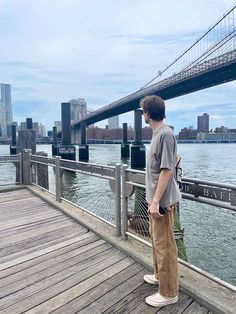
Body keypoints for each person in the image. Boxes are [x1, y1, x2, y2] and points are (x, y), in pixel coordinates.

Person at [140, 95, 181, 307]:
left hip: (162, 202)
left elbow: (167, 170)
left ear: (148, 112)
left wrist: (155, 202)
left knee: (165, 246)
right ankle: (159, 275)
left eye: (142, 111)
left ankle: (168, 292)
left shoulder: (166, 135)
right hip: (155, 200)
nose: (142, 114)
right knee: (157, 243)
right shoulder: (157, 134)